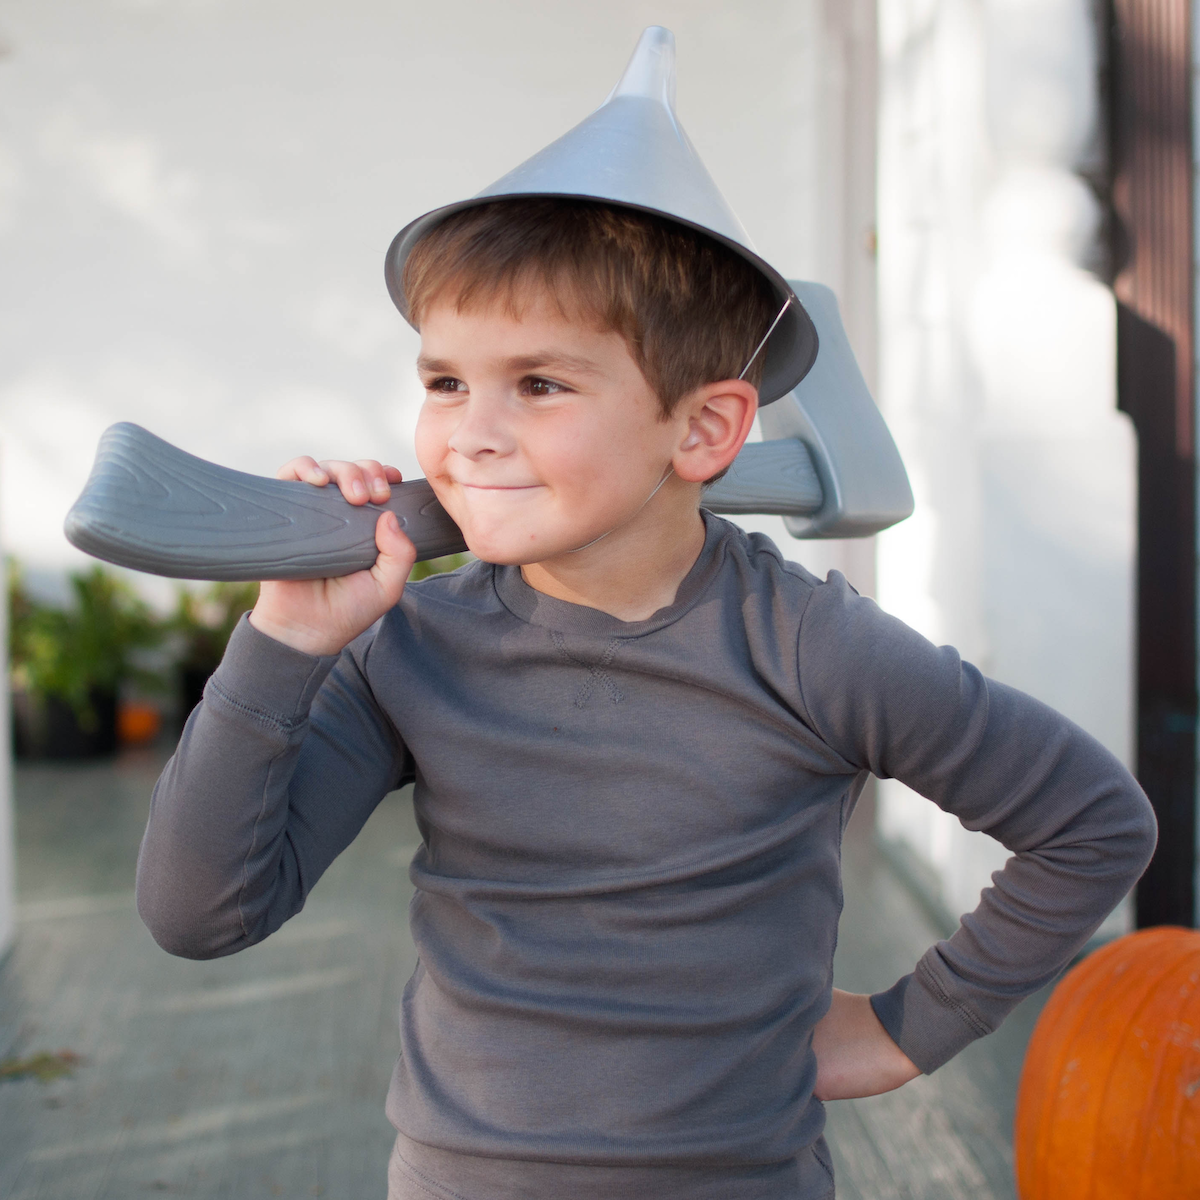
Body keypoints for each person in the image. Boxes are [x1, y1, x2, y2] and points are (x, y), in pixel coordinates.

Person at [135, 28, 1156, 1200]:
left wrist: (908, 1026)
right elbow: (199, 914)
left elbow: (1091, 824)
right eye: (446, 381)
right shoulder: (411, 647)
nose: (471, 433)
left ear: (706, 429)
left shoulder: (812, 650)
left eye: (539, 384)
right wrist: (284, 644)